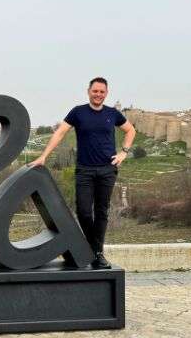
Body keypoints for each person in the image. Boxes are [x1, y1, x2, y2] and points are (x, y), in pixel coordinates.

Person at [29, 77, 136, 268]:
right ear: (88, 91)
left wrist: (123, 153)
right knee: (84, 211)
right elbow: (60, 132)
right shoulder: (78, 112)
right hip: (84, 170)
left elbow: (130, 131)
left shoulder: (112, 114)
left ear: (106, 93)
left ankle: (97, 252)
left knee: (102, 212)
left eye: (102, 92)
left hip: (107, 170)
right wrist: (44, 156)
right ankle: (93, 248)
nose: (98, 94)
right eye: (95, 91)